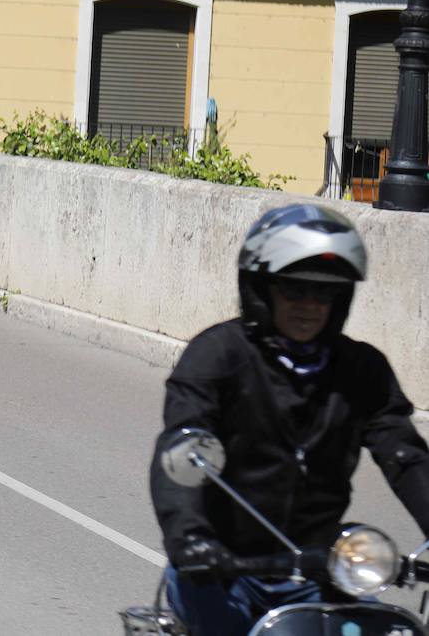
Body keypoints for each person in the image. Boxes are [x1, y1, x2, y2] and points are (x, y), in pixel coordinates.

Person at [150, 204, 429, 635]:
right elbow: (182, 448)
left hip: (321, 570)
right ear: (262, 289)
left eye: (324, 293)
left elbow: (405, 457)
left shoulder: (362, 369)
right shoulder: (218, 356)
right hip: (224, 570)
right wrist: (189, 537)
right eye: (294, 289)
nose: (309, 305)